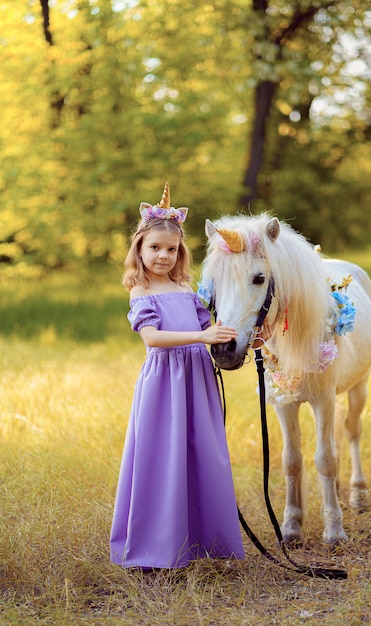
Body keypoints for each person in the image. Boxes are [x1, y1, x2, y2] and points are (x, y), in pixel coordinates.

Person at [110, 183, 270, 571]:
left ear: (179, 253)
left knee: (202, 456)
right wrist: (201, 336)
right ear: (139, 250)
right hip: (165, 384)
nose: (163, 256)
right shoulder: (140, 291)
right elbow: (152, 338)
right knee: (163, 458)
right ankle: (156, 548)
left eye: (171, 249)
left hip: (197, 381)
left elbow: (214, 328)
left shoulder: (187, 290)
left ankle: (201, 541)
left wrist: (242, 335)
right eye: (154, 248)